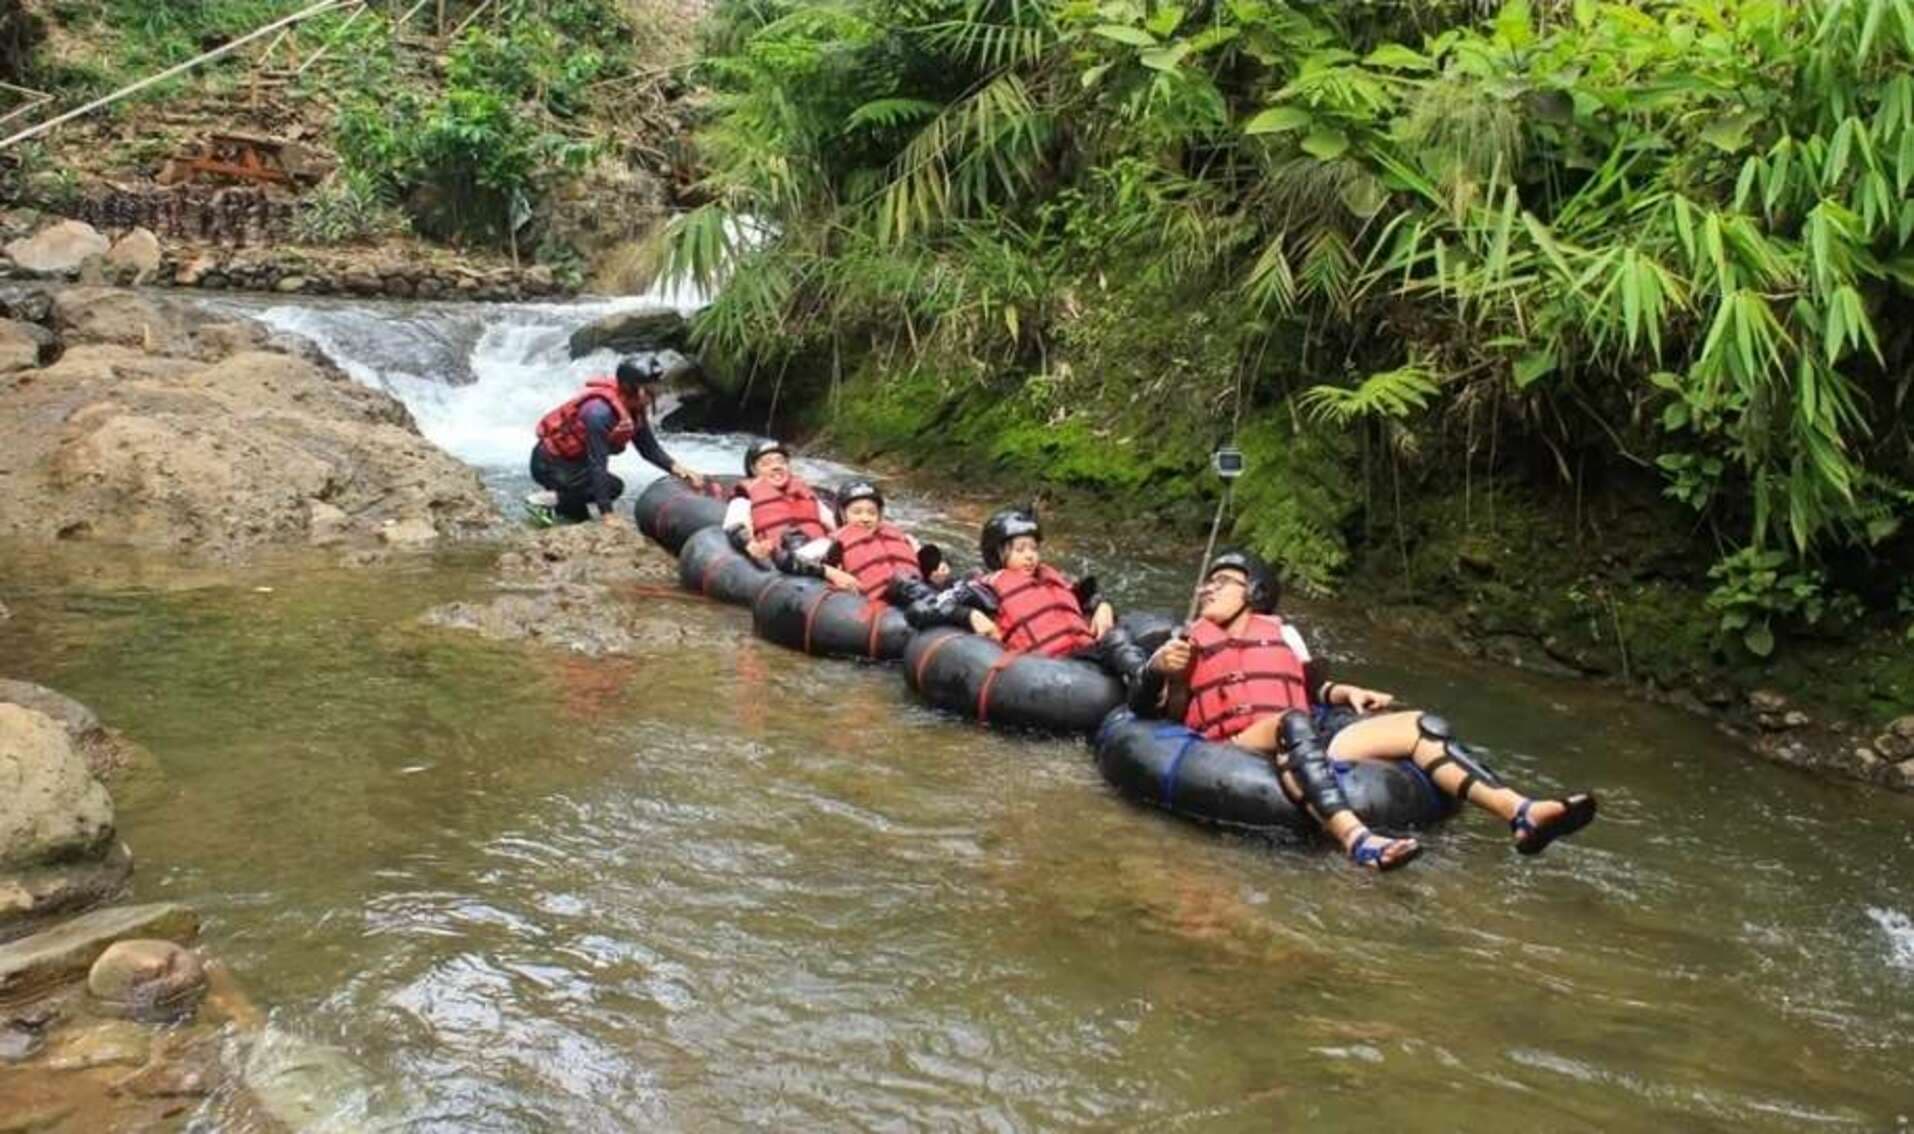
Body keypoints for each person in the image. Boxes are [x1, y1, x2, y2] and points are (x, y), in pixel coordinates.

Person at [1131, 548, 1599, 872]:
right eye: (1207, 584)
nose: (1207, 590)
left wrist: (1343, 692)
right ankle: (1358, 839)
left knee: (1421, 725)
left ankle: (1521, 812)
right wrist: (1163, 672)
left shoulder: (1285, 634)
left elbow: (1307, 689)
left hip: (1304, 730)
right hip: (1236, 743)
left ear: (1253, 592)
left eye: (1222, 582)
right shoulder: (1186, 640)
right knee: (1292, 725)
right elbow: (1158, 714)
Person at [938, 507, 1150, 677]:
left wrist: (1102, 605)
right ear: (997, 555)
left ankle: (1147, 678)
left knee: (1121, 637)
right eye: (1020, 550)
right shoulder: (985, 588)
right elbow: (938, 606)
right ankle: (1143, 678)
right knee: (1116, 641)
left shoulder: (1053, 578)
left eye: (1033, 549)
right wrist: (971, 615)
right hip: (1046, 669)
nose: (1030, 556)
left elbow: (1085, 597)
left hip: (1084, 655)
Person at [531, 357, 704, 524]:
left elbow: (649, 449)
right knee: (613, 486)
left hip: (574, 465)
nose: (656, 395)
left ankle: (548, 505)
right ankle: (542, 500)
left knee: (576, 519)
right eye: (651, 390)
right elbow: (597, 465)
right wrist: (607, 514)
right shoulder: (599, 414)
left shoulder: (633, 409)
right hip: (550, 465)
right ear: (630, 388)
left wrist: (679, 470)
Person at [777, 479, 952, 606]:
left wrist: (938, 572)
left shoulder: (902, 537)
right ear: (844, 515)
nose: (865, 518)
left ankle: (951, 606)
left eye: (871, 512)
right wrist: (831, 572)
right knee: (903, 582)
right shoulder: (831, 542)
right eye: (857, 512)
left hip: (916, 593)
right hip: (882, 603)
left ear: (880, 515)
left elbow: (922, 565)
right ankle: (943, 608)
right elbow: (786, 559)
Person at [723, 439, 834, 563]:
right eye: (766, 463)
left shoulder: (806, 494)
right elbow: (734, 526)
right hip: (780, 564)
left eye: (781, 462)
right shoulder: (744, 499)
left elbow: (837, 526)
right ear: (754, 470)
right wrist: (751, 545)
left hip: (822, 556)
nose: (776, 467)